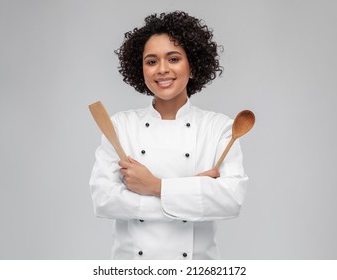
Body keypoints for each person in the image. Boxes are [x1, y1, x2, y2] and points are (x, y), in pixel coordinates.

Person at [89, 11, 248, 260]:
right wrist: (193, 192)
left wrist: (154, 186)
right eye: (151, 62)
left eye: (173, 59)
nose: (162, 70)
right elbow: (103, 199)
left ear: (192, 66)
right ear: (140, 69)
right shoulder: (120, 126)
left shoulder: (219, 128)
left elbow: (230, 201)